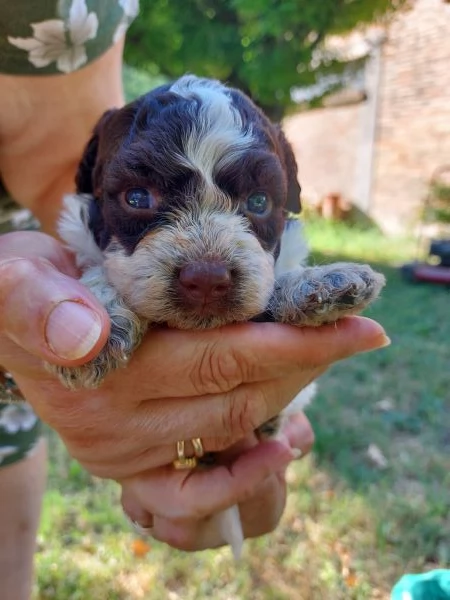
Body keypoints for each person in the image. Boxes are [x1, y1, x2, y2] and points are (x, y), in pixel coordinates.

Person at [0, 2, 390, 599]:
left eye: (255, 204)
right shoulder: (92, 214)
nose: (206, 269)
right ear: (99, 190)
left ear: (285, 200)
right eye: (141, 197)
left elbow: (52, 166)